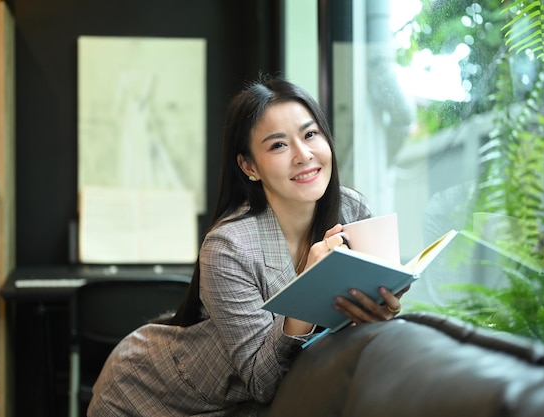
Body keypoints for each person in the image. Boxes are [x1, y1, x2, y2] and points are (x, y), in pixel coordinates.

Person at [87, 75, 407, 417]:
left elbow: (350, 329)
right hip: (151, 395)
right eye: (278, 145)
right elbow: (261, 381)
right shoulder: (228, 247)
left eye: (310, 134)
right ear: (249, 166)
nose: (303, 155)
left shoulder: (352, 211)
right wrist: (309, 289)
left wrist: (376, 310)